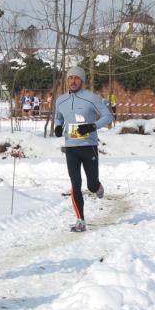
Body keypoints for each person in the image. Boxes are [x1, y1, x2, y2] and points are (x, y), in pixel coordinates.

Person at [54, 66, 112, 232]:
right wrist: (58, 127)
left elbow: (108, 116)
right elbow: (58, 118)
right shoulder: (61, 100)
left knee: (92, 185)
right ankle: (80, 220)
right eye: (70, 78)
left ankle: (98, 187)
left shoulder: (91, 98)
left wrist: (92, 126)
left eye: (76, 78)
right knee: (75, 183)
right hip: (71, 148)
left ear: (82, 81)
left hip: (89, 147)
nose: (73, 81)